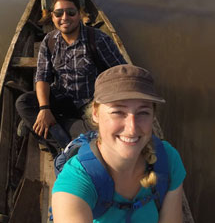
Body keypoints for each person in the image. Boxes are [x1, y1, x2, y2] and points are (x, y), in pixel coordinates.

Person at [51, 64, 186, 223]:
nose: (132, 128)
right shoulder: (76, 180)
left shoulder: (168, 160)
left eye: (143, 112)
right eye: (117, 112)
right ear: (95, 113)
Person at [15, 0, 127, 154]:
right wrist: (44, 108)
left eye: (71, 12)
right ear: (52, 17)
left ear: (80, 14)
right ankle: (63, 144)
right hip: (61, 97)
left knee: (103, 132)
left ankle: (54, 132)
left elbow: (122, 73)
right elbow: (42, 77)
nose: (65, 17)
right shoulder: (50, 41)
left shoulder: (98, 39)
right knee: (23, 103)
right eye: (59, 13)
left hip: (90, 104)